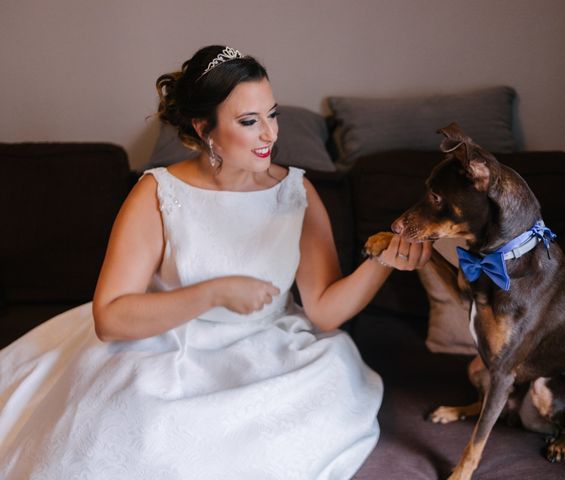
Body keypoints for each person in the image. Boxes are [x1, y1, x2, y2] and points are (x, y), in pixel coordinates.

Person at [0, 45, 430, 479]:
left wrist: (383, 262)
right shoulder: (157, 193)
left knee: (310, 407)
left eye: (272, 114)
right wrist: (213, 293)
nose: (270, 134)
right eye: (249, 121)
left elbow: (323, 309)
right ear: (205, 129)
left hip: (270, 350)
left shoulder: (297, 193)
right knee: (139, 434)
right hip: (164, 348)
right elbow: (110, 318)